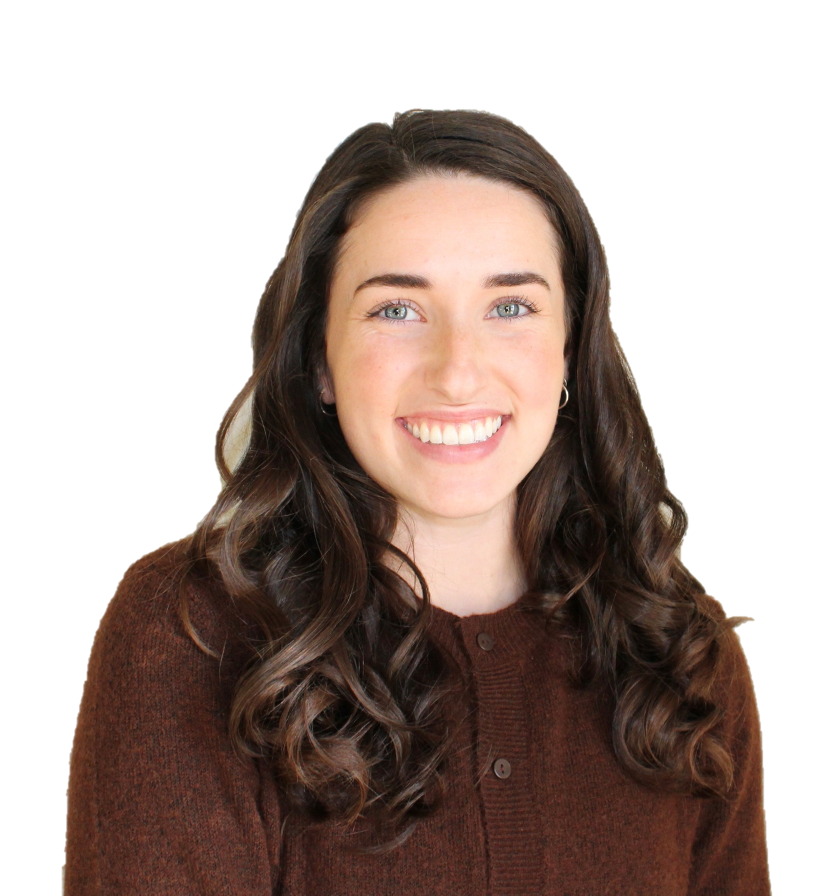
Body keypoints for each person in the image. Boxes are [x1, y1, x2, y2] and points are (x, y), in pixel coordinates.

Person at [64, 109, 771, 894]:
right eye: (396, 310)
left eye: (510, 307)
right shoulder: (190, 634)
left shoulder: (679, 652)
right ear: (320, 361)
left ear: (570, 348)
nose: (457, 372)